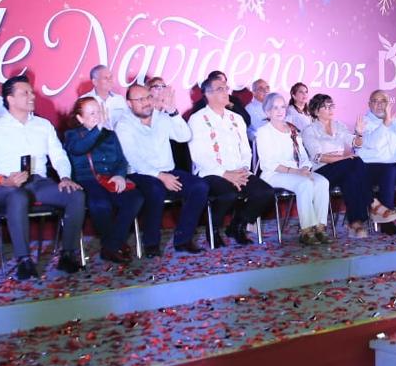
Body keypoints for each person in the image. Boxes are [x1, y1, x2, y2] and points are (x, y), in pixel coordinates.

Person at [0, 75, 86, 279]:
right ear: (10, 99)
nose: (31, 96)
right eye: (25, 93)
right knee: (17, 197)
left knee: (75, 194)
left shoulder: (43, 125)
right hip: (6, 186)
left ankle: (68, 254)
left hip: (37, 182)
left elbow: (59, 155)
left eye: (31, 92)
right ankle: (24, 260)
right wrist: (4, 180)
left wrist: (64, 176)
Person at [116, 79, 209, 255]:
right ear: (129, 104)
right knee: (155, 189)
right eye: (140, 100)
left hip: (167, 171)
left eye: (148, 97)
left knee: (200, 186)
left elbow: (184, 136)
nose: (146, 103)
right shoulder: (124, 124)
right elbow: (133, 159)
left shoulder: (163, 117)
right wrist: (160, 175)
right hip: (140, 174)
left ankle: (183, 239)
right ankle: (151, 243)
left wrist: (173, 111)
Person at [188, 72, 273, 245]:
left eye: (226, 88)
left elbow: (245, 149)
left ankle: (237, 225)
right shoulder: (197, 119)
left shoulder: (237, 118)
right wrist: (225, 173)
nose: (226, 92)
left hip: (238, 170)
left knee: (265, 193)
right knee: (228, 194)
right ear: (208, 94)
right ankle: (213, 228)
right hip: (211, 172)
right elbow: (198, 155)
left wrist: (242, 170)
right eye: (220, 89)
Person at [64, 97, 143, 264]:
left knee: (134, 198)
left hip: (110, 179)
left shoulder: (110, 135)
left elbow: (121, 160)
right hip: (88, 181)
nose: (97, 116)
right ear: (80, 118)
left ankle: (111, 246)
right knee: (100, 204)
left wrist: (120, 175)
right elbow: (79, 148)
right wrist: (97, 129)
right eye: (92, 113)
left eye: (98, 112)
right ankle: (114, 245)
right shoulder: (72, 136)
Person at [256, 92, 332, 244]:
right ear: (267, 111)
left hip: (297, 171)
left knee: (322, 181)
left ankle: (320, 227)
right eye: (275, 108)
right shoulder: (263, 132)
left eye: (282, 107)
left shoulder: (292, 129)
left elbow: (303, 155)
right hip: (274, 174)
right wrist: (297, 172)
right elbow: (268, 164)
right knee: (304, 184)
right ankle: (306, 230)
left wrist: (304, 168)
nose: (280, 111)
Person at [301, 93, 378, 240]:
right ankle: (372, 202)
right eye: (325, 106)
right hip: (322, 172)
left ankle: (355, 223)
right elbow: (318, 157)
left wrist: (359, 134)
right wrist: (344, 158)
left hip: (342, 169)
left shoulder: (339, 126)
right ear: (316, 111)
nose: (330, 109)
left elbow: (355, 143)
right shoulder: (309, 130)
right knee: (354, 162)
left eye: (332, 105)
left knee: (351, 177)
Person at [355, 90, 396, 237]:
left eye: (383, 101)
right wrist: (385, 125)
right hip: (369, 166)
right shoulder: (364, 122)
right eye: (376, 101)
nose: (380, 105)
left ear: (388, 104)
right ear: (369, 104)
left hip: (391, 164)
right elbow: (371, 144)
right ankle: (386, 222)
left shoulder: (393, 121)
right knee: (389, 171)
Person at [80, 64, 129, 129]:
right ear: (95, 82)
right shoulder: (84, 101)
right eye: (105, 78)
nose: (110, 80)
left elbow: (128, 121)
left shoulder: (119, 99)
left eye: (111, 77)